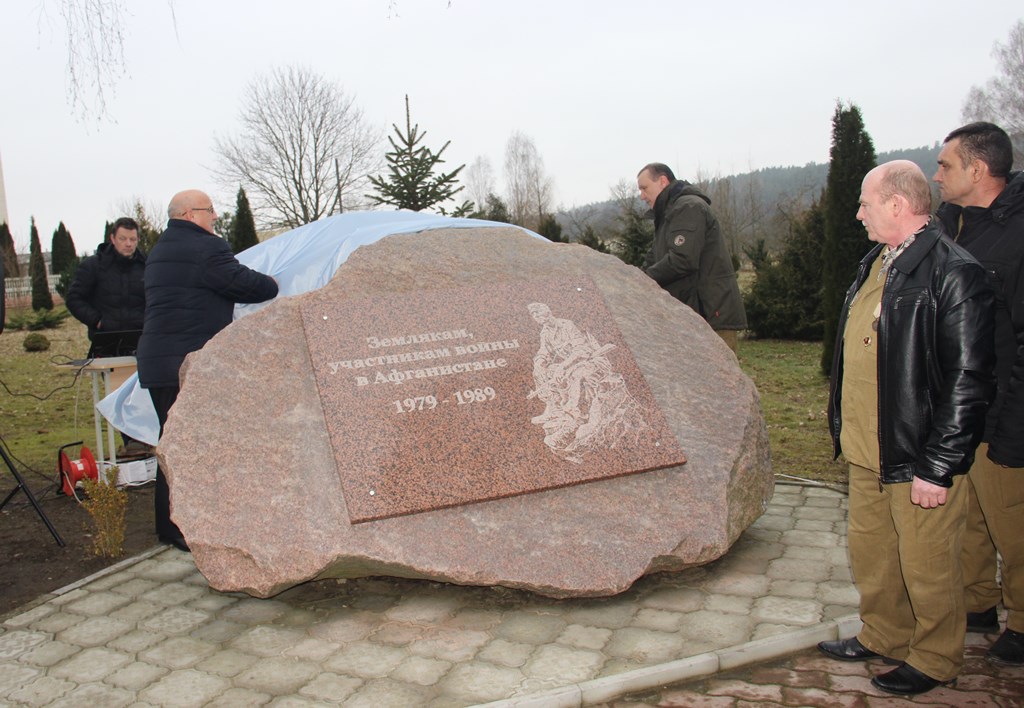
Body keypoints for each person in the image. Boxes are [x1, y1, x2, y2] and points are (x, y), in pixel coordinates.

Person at [817, 161, 995, 696]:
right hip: (867, 449)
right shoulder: (877, 263)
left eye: (865, 203)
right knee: (873, 553)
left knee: (928, 563)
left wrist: (938, 466)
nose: (858, 214)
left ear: (897, 205)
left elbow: (969, 379)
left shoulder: (953, 271)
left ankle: (936, 657)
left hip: (917, 454)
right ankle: (884, 634)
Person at [136, 190, 278, 552]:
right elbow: (247, 285)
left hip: (159, 359)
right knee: (191, 447)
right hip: (186, 363)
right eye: (209, 210)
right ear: (189, 214)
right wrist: (274, 282)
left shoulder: (160, 249)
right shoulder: (205, 247)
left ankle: (170, 526)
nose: (215, 216)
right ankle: (185, 528)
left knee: (173, 443)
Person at [933, 122, 1024, 665]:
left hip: (1003, 410)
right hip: (959, 409)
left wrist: (1013, 428)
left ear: (978, 169)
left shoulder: (1017, 235)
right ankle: (978, 602)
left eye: (945, 165)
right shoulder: (949, 227)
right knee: (968, 520)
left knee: (1012, 523)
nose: (936, 175)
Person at [637, 162, 746, 352]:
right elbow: (653, 259)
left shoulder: (688, 208)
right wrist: (631, 278)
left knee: (717, 371)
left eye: (644, 188)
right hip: (693, 316)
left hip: (710, 315)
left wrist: (642, 280)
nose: (642, 196)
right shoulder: (668, 215)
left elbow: (682, 260)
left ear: (662, 181)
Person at [66, 216, 146, 358]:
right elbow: (74, 299)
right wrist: (97, 321)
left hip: (141, 341)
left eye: (132, 239)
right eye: (123, 239)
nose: (128, 244)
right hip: (105, 342)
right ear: (113, 238)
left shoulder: (147, 267)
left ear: (138, 239)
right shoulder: (93, 266)